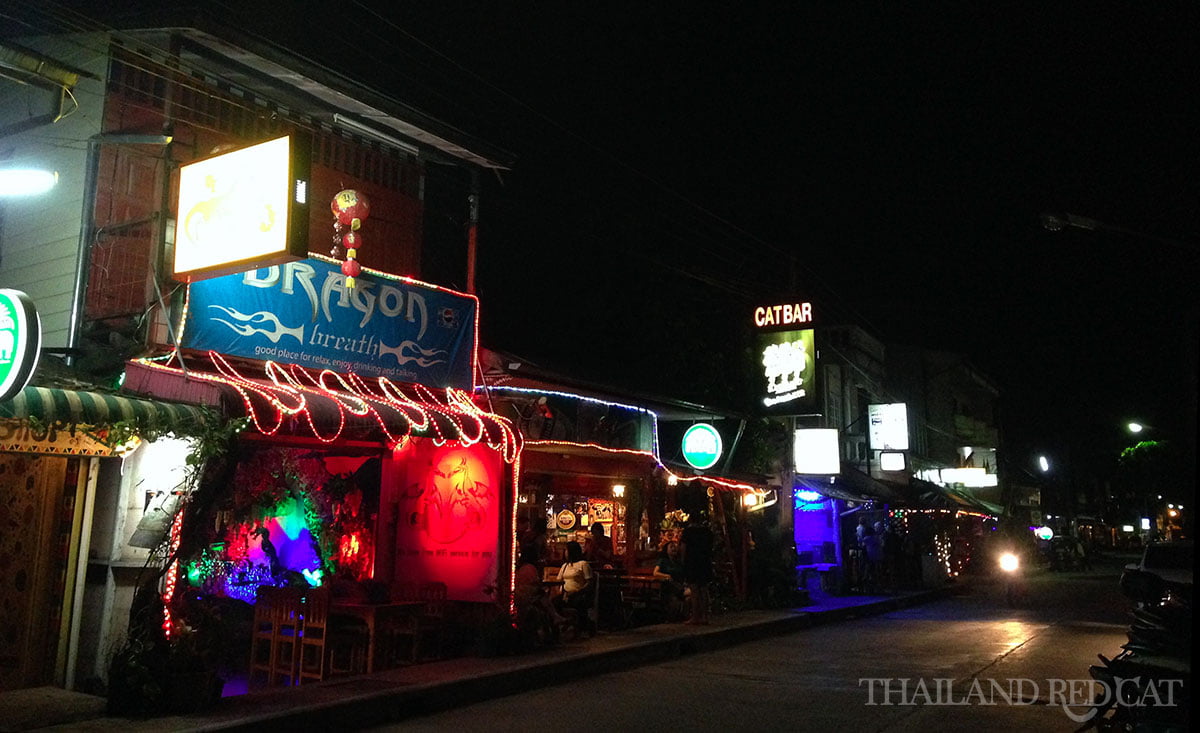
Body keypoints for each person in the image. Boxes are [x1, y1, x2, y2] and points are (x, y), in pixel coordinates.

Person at [556, 541, 595, 635]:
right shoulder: (565, 566)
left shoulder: (583, 564)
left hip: (578, 594)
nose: (565, 553)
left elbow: (589, 583)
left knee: (576, 602)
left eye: (566, 551)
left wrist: (577, 591)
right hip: (565, 594)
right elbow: (558, 581)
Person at [680, 520, 714, 624]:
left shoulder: (688, 531)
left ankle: (695, 616)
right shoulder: (707, 531)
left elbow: (683, 547)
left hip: (692, 562)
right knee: (704, 589)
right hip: (704, 561)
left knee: (694, 590)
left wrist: (683, 561)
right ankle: (705, 616)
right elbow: (711, 546)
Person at [653, 541, 686, 620]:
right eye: (671, 547)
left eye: (675, 547)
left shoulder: (678, 562)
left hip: (678, 584)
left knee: (688, 599)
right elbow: (655, 573)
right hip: (668, 586)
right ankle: (683, 591)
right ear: (666, 550)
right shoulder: (663, 561)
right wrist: (666, 575)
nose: (674, 549)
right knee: (669, 582)